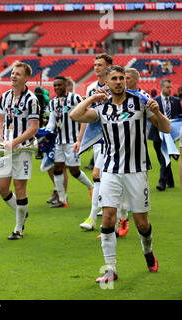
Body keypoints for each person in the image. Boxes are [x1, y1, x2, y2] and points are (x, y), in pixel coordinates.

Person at [70, 65, 170, 283]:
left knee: (142, 223)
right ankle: (110, 269)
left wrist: (158, 112)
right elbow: (75, 115)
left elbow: (166, 128)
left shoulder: (140, 104)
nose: (118, 82)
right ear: (108, 82)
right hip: (110, 171)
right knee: (108, 217)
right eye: (113, 78)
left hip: (137, 170)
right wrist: (93, 98)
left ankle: (148, 251)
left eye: (121, 78)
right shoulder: (103, 109)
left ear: (126, 80)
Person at [0, 61, 39, 240]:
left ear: (26, 78)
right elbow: (0, 120)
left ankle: (18, 228)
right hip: (6, 147)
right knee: (1, 187)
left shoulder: (32, 100)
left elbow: (34, 127)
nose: (13, 76)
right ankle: (22, 211)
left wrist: (15, 142)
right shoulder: (4, 96)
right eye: (12, 73)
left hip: (23, 149)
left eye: (18, 74)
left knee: (20, 187)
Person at [46, 76, 93, 208]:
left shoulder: (76, 98)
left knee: (74, 171)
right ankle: (62, 200)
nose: (57, 88)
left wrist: (83, 139)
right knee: (57, 168)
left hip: (73, 141)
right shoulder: (53, 102)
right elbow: (52, 123)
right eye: (55, 86)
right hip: (59, 141)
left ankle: (92, 187)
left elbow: (85, 117)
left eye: (59, 85)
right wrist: (42, 132)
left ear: (66, 85)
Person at [79, 53, 112, 231]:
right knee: (103, 176)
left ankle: (94, 216)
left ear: (108, 66)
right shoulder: (91, 88)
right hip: (98, 139)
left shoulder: (114, 86)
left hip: (113, 138)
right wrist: (80, 140)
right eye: (95, 64)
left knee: (99, 175)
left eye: (100, 64)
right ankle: (108, 211)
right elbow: (86, 115)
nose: (96, 67)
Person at [148, 79, 182, 191]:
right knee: (161, 158)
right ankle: (170, 182)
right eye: (168, 87)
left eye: (171, 87)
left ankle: (162, 183)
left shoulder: (176, 101)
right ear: (162, 88)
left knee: (164, 158)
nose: (170, 89)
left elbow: (178, 117)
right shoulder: (154, 101)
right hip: (157, 135)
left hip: (170, 135)